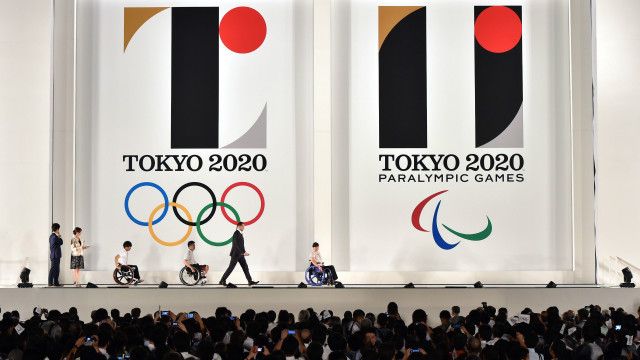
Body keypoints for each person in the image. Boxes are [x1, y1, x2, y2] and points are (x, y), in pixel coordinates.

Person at [219, 222, 259, 286]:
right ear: (239, 226)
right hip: (235, 254)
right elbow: (236, 244)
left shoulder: (240, 234)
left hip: (241, 255)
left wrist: (244, 252)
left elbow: (241, 245)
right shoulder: (236, 233)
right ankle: (222, 280)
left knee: (245, 267)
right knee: (230, 268)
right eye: (243, 226)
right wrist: (243, 252)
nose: (244, 227)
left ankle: (250, 281)